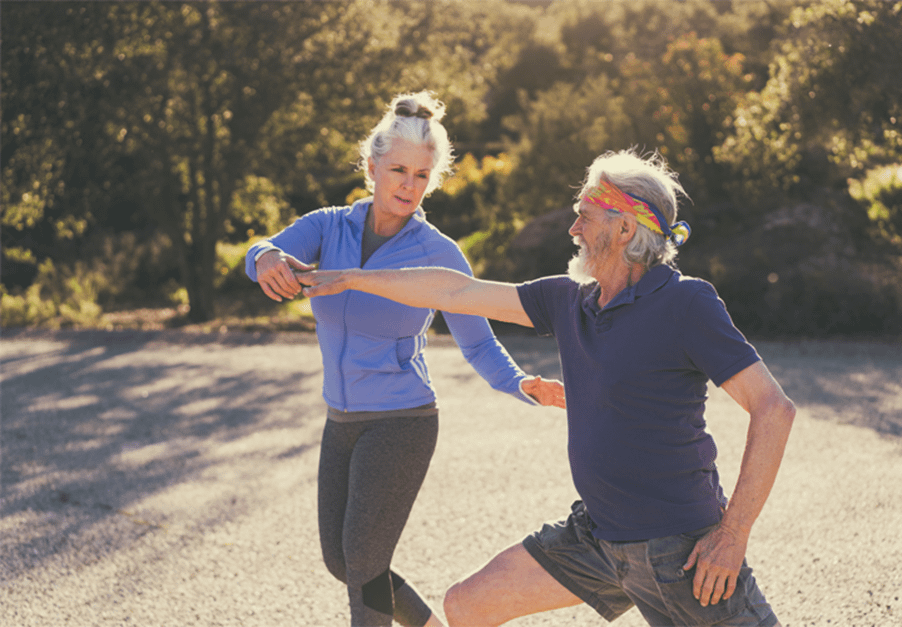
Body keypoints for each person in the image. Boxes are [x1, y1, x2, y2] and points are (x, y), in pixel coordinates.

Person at [295, 148, 797, 627]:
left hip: (677, 547)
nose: (574, 228)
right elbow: (455, 291)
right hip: (596, 539)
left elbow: (774, 408)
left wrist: (732, 535)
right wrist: (355, 279)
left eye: (586, 215)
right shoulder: (570, 300)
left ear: (624, 228)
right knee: (467, 606)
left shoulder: (687, 303)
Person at [245, 91, 565, 627]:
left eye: (421, 175)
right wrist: (266, 258)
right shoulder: (329, 227)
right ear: (371, 167)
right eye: (397, 170)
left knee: (365, 562)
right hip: (341, 419)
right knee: (341, 561)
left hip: (403, 421)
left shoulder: (438, 254)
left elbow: (479, 342)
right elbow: (262, 249)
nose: (408, 186)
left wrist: (519, 383)